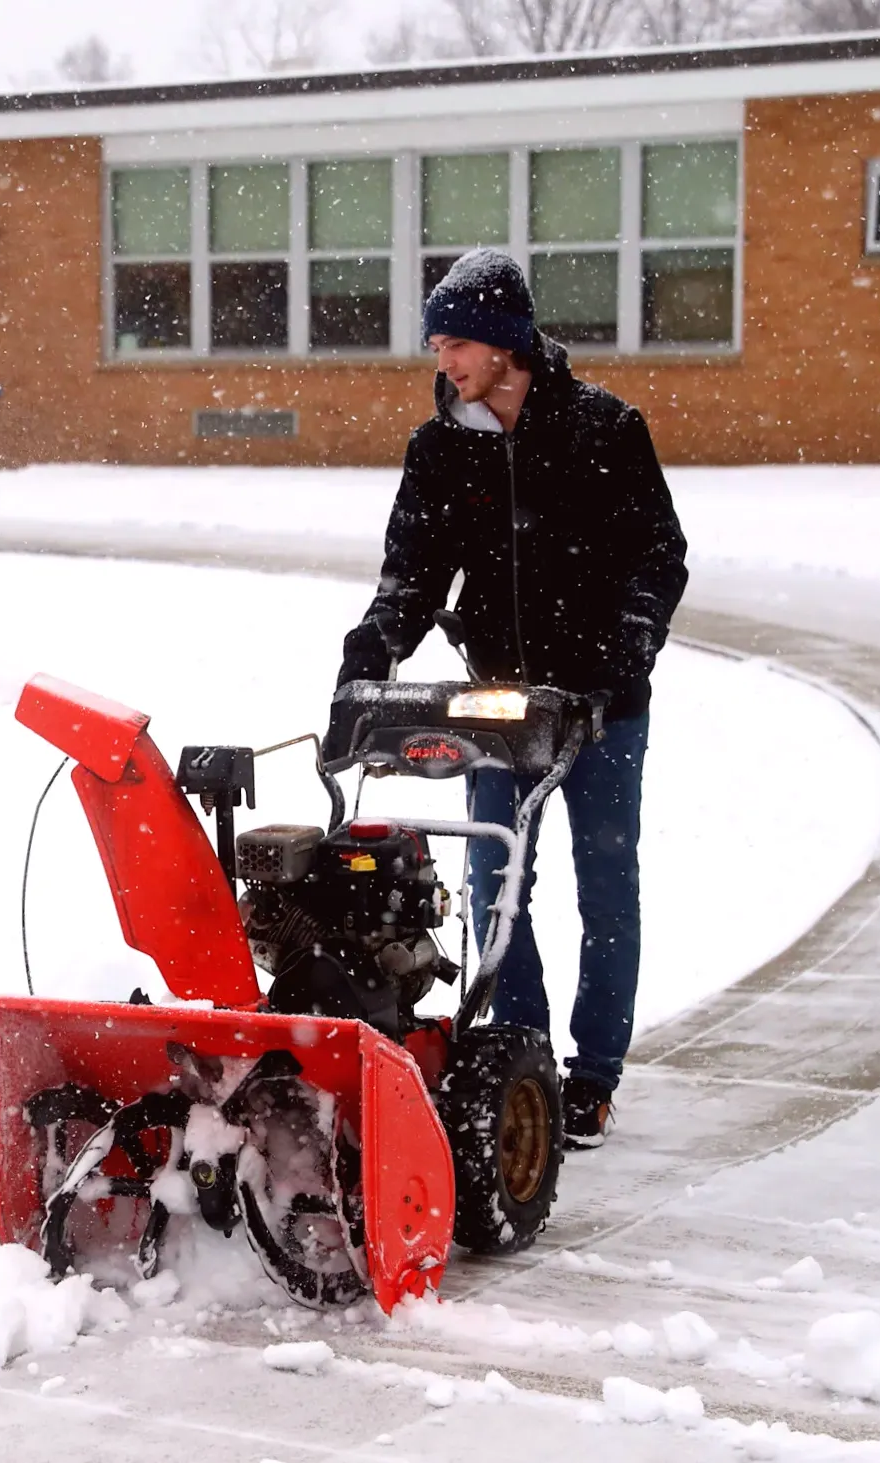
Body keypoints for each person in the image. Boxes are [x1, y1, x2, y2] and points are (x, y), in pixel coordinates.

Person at [335, 246, 689, 1149]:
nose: (442, 359)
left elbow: (659, 557)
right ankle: (521, 1059)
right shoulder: (439, 448)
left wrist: (621, 654)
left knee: (605, 888)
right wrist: (368, 652)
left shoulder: (602, 428)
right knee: (494, 883)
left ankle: (594, 1074)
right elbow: (412, 574)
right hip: (499, 708)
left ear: (503, 343)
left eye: (455, 342)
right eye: (437, 344)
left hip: (601, 710)